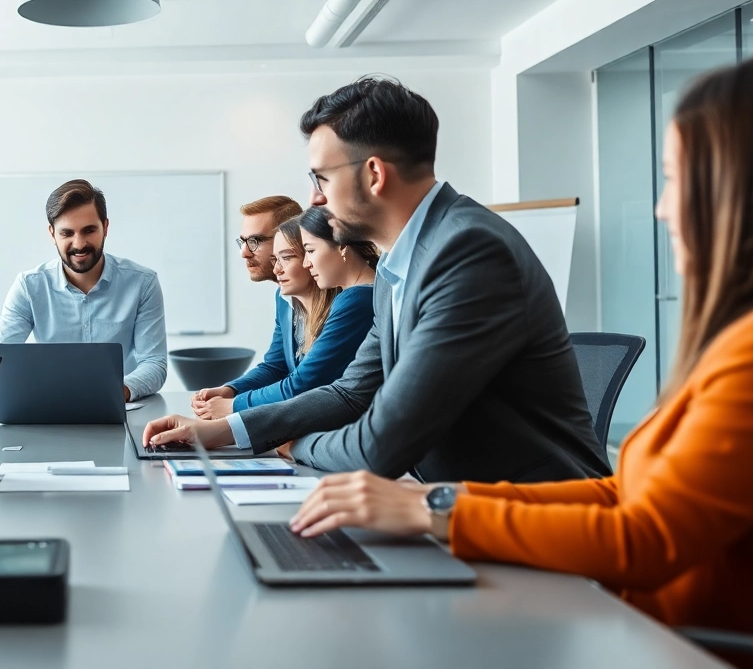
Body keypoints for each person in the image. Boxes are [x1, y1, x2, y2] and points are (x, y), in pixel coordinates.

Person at [287, 57, 753, 654]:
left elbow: (644, 535)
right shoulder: (737, 342)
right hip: (633, 617)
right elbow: (625, 497)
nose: (661, 209)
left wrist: (436, 510)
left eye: (674, 178)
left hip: (667, 642)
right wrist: (439, 501)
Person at [144, 76, 610, 484]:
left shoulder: (469, 252)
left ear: (373, 174)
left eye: (321, 178)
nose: (313, 197)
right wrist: (221, 431)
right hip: (451, 499)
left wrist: (289, 443)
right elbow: (351, 391)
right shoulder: (395, 268)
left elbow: (380, 445)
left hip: (540, 521)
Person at [0, 178, 167, 402]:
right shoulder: (29, 286)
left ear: (105, 227)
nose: (79, 244)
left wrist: (118, 391)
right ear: (52, 234)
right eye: (67, 233)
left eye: (89, 230)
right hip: (49, 405)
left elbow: (154, 363)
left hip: (119, 407)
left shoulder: (143, 283)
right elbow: (0, 359)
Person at [193, 207, 375, 419]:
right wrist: (232, 390)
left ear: (341, 246)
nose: (277, 269)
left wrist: (234, 405)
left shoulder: (354, 299)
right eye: (274, 260)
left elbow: (302, 384)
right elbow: (275, 367)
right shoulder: (284, 299)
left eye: (288, 257)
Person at [236, 195, 303, 284]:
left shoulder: (322, 294)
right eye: (244, 241)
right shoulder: (282, 296)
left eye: (256, 240)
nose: (244, 254)